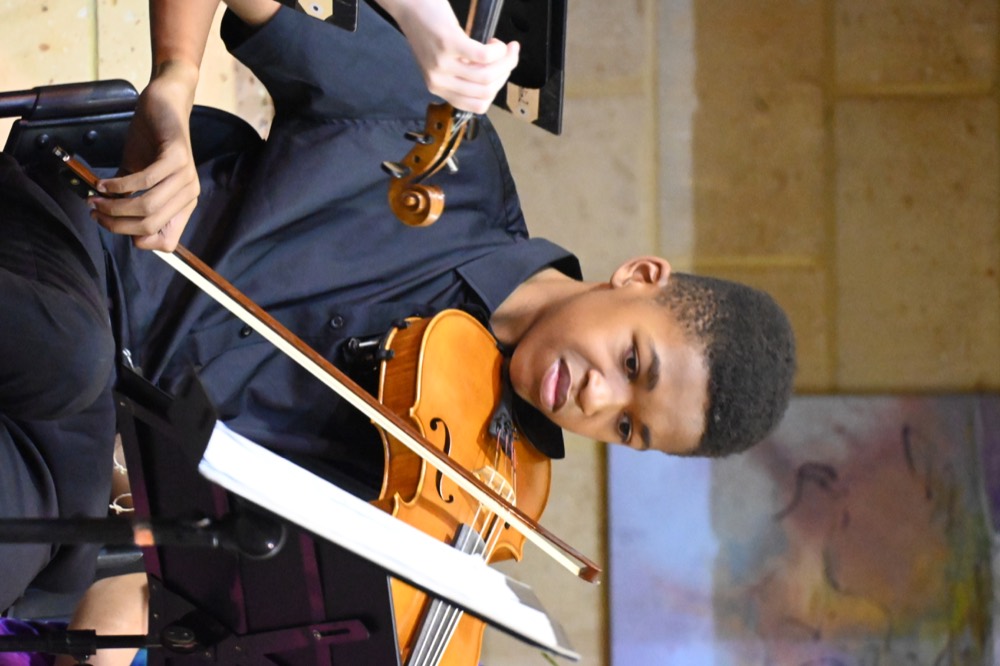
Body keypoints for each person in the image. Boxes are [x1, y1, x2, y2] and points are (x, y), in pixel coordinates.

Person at [86, 0, 795, 494]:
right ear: (638, 275)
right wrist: (173, 86)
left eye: (627, 427)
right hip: (92, 267)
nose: (596, 399)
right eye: (633, 363)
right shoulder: (439, 145)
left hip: (86, 455)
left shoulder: (449, 479)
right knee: (65, 370)